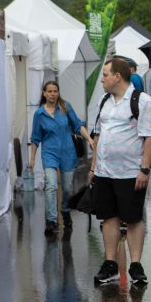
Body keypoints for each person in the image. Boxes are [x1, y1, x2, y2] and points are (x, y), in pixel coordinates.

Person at [90, 58, 151, 287]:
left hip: (130, 172)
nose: (102, 79)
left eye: (106, 74)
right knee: (108, 217)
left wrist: (144, 170)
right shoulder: (103, 101)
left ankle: (136, 265)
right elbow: (97, 134)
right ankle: (110, 263)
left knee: (132, 218)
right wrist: (93, 167)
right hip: (104, 171)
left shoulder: (142, 101)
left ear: (117, 76)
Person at [29, 81, 94, 236]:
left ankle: (65, 211)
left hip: (67, 153)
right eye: (49, 91)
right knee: (51, 185)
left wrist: (89, 140)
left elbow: (78, 126)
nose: (52, 94)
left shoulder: (66, 107)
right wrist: (32, 159)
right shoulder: (39, 114)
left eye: (55, 91)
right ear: (44, 93)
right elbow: (35, 138)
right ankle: (51, 221)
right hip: (49, 154)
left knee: (67, 188)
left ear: (58, 92)